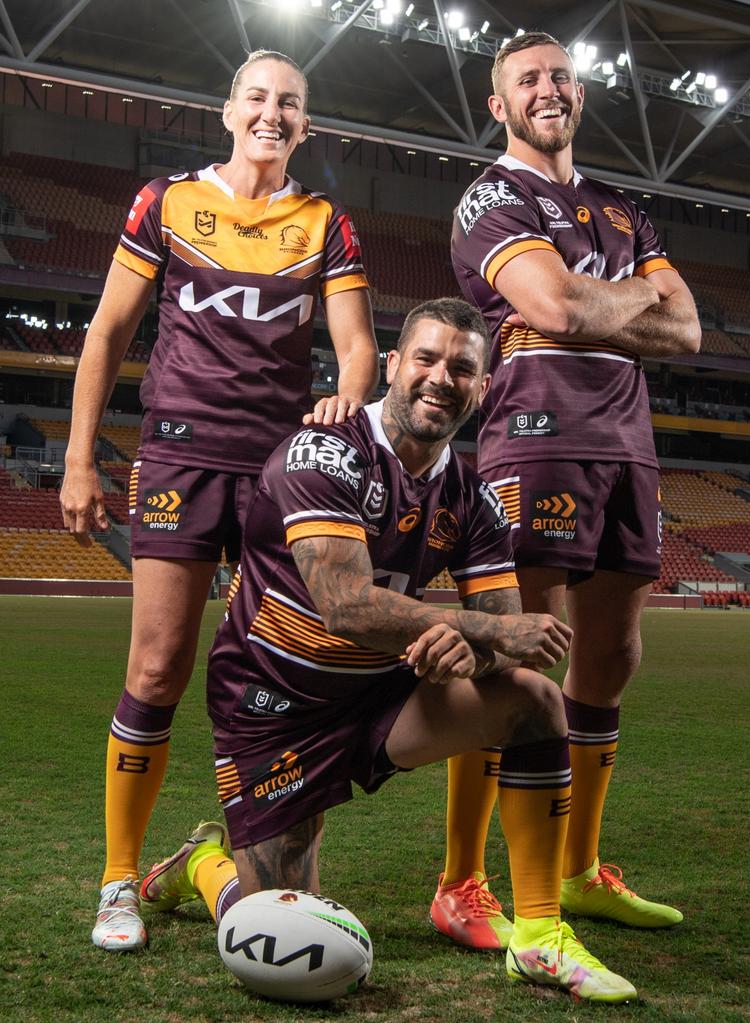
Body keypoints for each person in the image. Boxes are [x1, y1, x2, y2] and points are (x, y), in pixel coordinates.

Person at [138, 299, 638, 1003]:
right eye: (427, 360)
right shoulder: (325, 449)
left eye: (463, 368)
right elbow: (345, 604)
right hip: (275, 706)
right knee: (281, 938)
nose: (442, 378)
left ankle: (539, 936)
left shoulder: (474, 497)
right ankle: (204, 868)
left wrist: (466, 653)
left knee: (532, 701)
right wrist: (483, 633)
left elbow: (509, 643)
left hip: (382, 694)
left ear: (483, 388)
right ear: (394, 367)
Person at [60, 50, 380, 952]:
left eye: (291, 103)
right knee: (159, 667)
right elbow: (109, 332)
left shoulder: (326, 222)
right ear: (228, 111)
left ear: (305, 125)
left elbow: (357, 349)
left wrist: (346, 394)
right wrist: (81, 458)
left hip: (281, 471)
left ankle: (281, 865)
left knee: (294, 673)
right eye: (258, 98)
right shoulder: (165, 202)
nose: (272, 113)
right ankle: (118, 880)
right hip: (178, 459)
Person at [433, 31, 701, 949]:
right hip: (537, 440)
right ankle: (463, 881)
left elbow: (691, 329)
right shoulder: (491, 196)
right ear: (499, 107)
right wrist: (623, 304)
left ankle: (580, 871)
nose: (548, 88)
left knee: (612, 657)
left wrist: (595, 302)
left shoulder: (625, 210)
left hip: (628, 446)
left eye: (560, 75)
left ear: (579, 94)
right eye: (526, 80)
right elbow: (556, 309)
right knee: (518, 660)